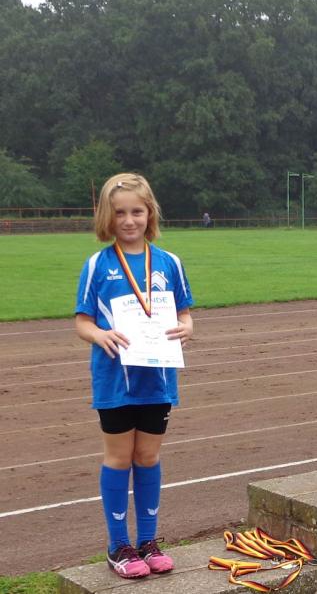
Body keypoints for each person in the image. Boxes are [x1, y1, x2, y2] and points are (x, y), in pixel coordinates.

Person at [75, 173, 194, 578]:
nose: (129, 220)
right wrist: (99, 334)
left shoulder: (169, 262)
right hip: (114, 380)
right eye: (120, 213)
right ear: (108, 217)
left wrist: (187, 327)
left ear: (150, 214)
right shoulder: (98, 264)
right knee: (118, 457)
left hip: (157, 380)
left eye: (137, 212)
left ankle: (147, 541)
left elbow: (184, 313)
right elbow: (83, 321)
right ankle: (118, 546)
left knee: (148, 457)